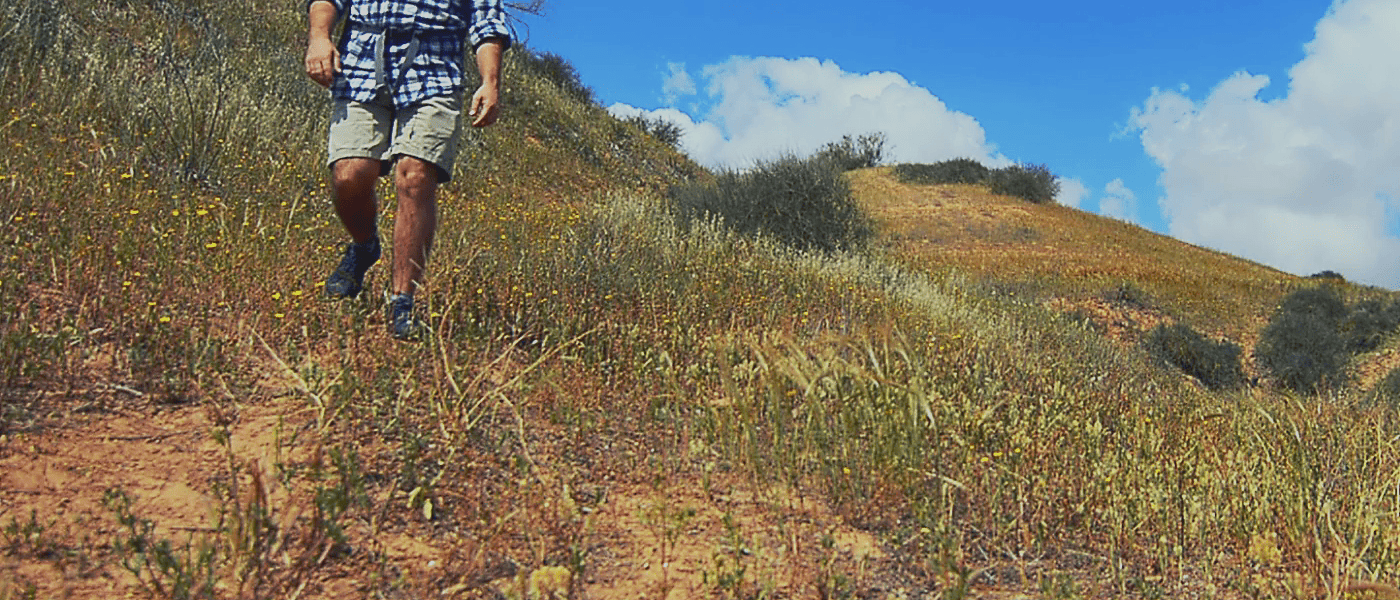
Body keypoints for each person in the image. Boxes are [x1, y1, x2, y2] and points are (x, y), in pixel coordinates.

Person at [304, 0, 510, 339]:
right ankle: (364, 246)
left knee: (415, 176)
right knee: (349, 174)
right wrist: (319, 37)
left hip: (435, 67)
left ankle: (401, 301)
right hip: (361, 63)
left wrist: (490, 82)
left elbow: (486, 21)